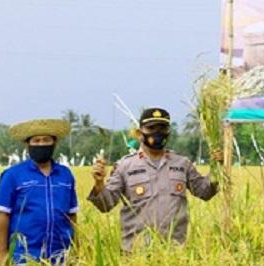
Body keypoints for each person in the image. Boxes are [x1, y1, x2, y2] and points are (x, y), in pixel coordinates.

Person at [88, 108, 221, 252]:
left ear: (169, 132)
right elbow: (105, 205)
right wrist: (99, 183)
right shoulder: (124, 166)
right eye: (151, 128)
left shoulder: (182, 164)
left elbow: (205, 191)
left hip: (175, 253)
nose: (157, 133)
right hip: (136, 253)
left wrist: (217, 167)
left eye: (162, 128)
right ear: (140, 133)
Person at [0, 119, 78, 266]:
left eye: (46, 140)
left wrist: (77, 250)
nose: (41, 144)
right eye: (36, 140)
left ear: (55, 142)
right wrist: (3, 254)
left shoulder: (65, 175)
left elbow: (72, 216)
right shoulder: (12, 175)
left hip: (60, 257)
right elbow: (2, 216)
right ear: (28, 144)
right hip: (24, 257)